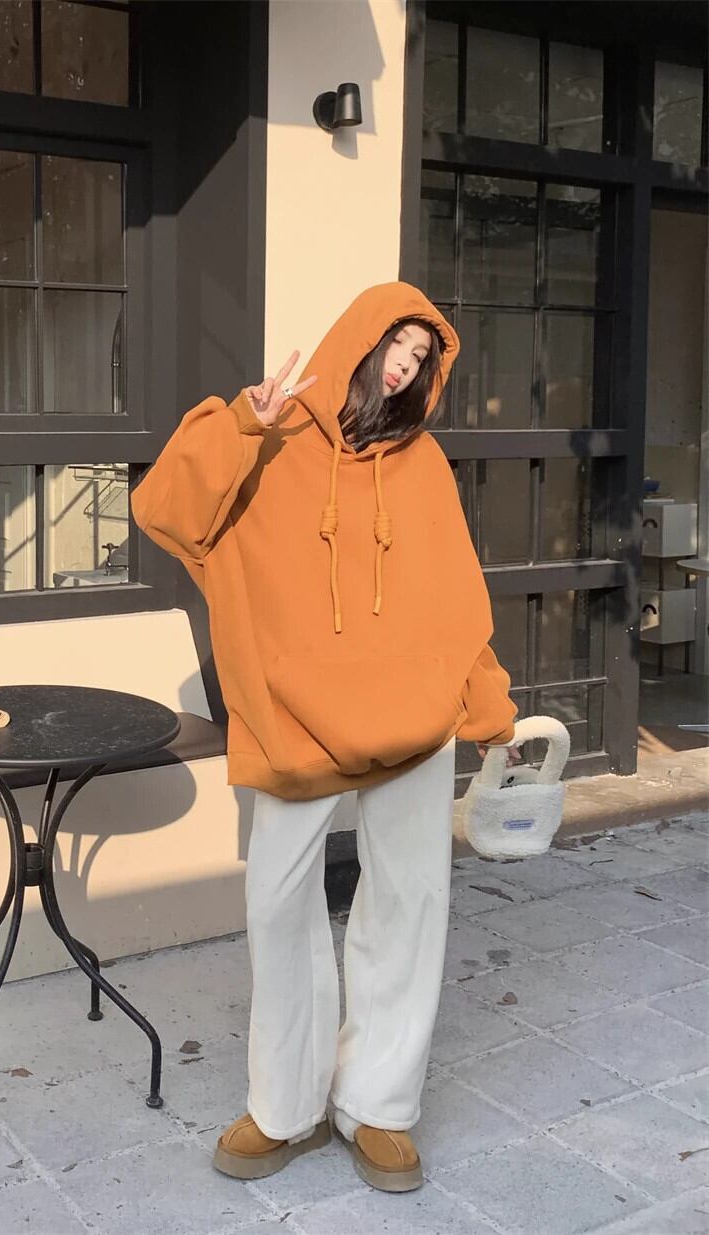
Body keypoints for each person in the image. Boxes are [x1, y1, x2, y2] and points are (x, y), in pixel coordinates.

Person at [131, 282, 522, 1193]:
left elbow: (458, 596)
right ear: (361, 339)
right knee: (279, 903)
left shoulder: (423, 465)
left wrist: (489, 708)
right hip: (294, 716)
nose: (406, 368)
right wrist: (242, 424)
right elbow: (165, 510)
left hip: (415, 720)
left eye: (422, 360)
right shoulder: (271, 441)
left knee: (410, 902)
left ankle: (378, 1103)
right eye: (398, 347)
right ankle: (285, 1106)